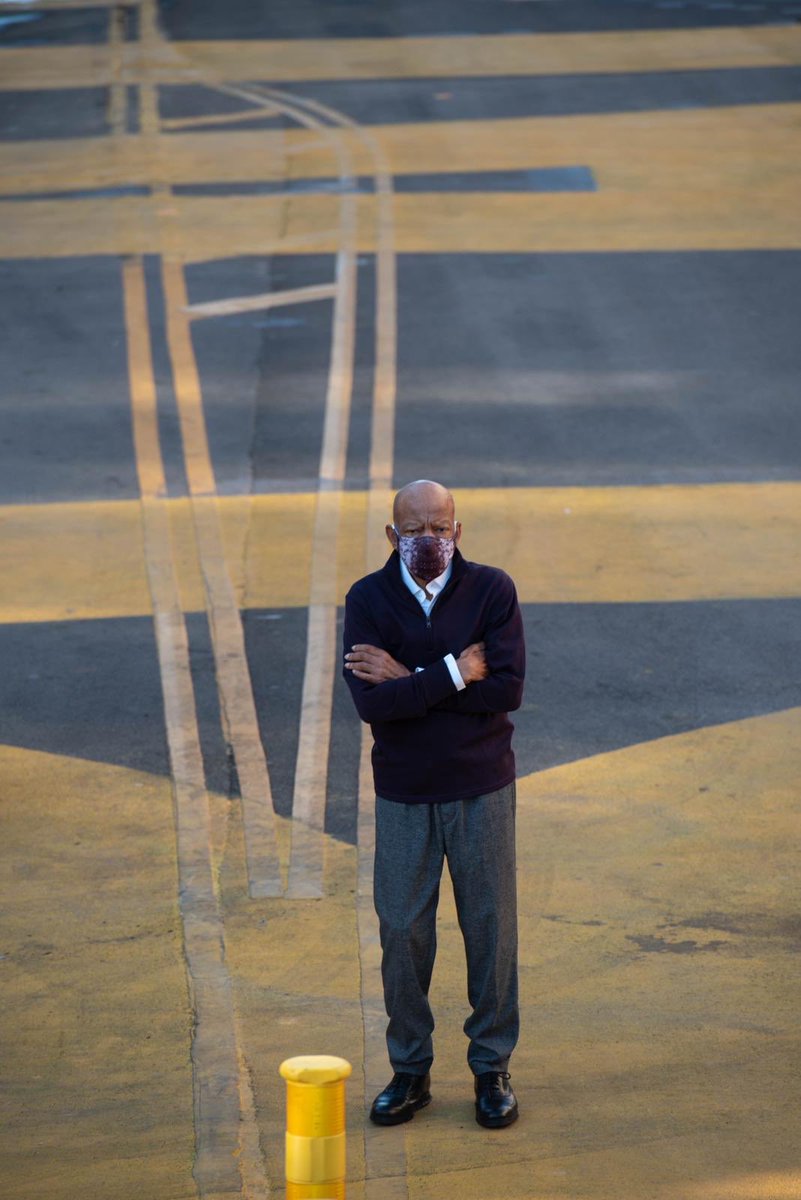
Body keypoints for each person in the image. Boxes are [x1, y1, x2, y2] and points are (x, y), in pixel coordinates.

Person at [343, 479, 525, 1129]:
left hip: (481, 787)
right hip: (403, 793)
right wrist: (454, 672)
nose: (430, 539)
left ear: (458, 529)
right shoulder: (366, 600)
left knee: (490, 929)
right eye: (415, 529)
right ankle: (410, 1069)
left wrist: (409, 680)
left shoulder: (492, 590)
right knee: (402, 933)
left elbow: (504, 689)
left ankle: (491, 1066)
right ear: (392, 536)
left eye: (441, 526)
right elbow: (371, 705)